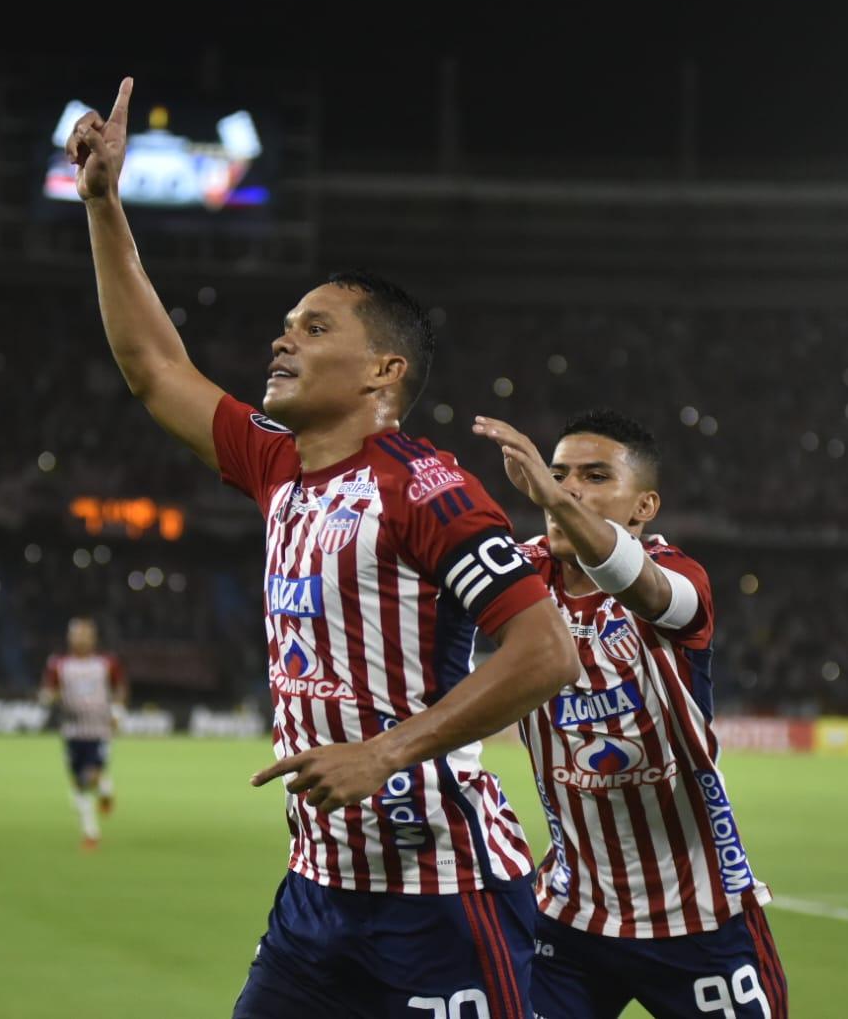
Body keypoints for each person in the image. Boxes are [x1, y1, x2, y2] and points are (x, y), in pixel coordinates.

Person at [68, 78, 576, 1017]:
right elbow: (153, 368)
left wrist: (385, 753)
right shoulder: (277, 467)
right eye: (286, 324)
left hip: (444, 897)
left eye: (314, 326)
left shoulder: (424, 486)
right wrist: (103, 203)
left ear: (384, 370)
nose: (281, 337)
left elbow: (547, 650)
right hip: (316, 897)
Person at [474, 409, 786, 1018]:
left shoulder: (677, 579)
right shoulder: (522, 575)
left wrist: (556, 500)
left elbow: (640, 587)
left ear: (645, 507)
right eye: (558, 473)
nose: (565, 488)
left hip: (699, 919)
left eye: (593, 477)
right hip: (568, 919)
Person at [39, 617, 126, 849]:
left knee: (91, 775)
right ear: (69, 637)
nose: (80, 639)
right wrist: (48, 698)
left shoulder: (106, 663)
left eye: (85, 634)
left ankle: (103, 788)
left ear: (93, 638)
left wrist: (117, 712)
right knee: (78, 783)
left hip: (99, 730)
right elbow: (50, 690)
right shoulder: (58, 664)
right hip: (72, 731)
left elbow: (119, 687)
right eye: (76, 634)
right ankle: (90, 831)